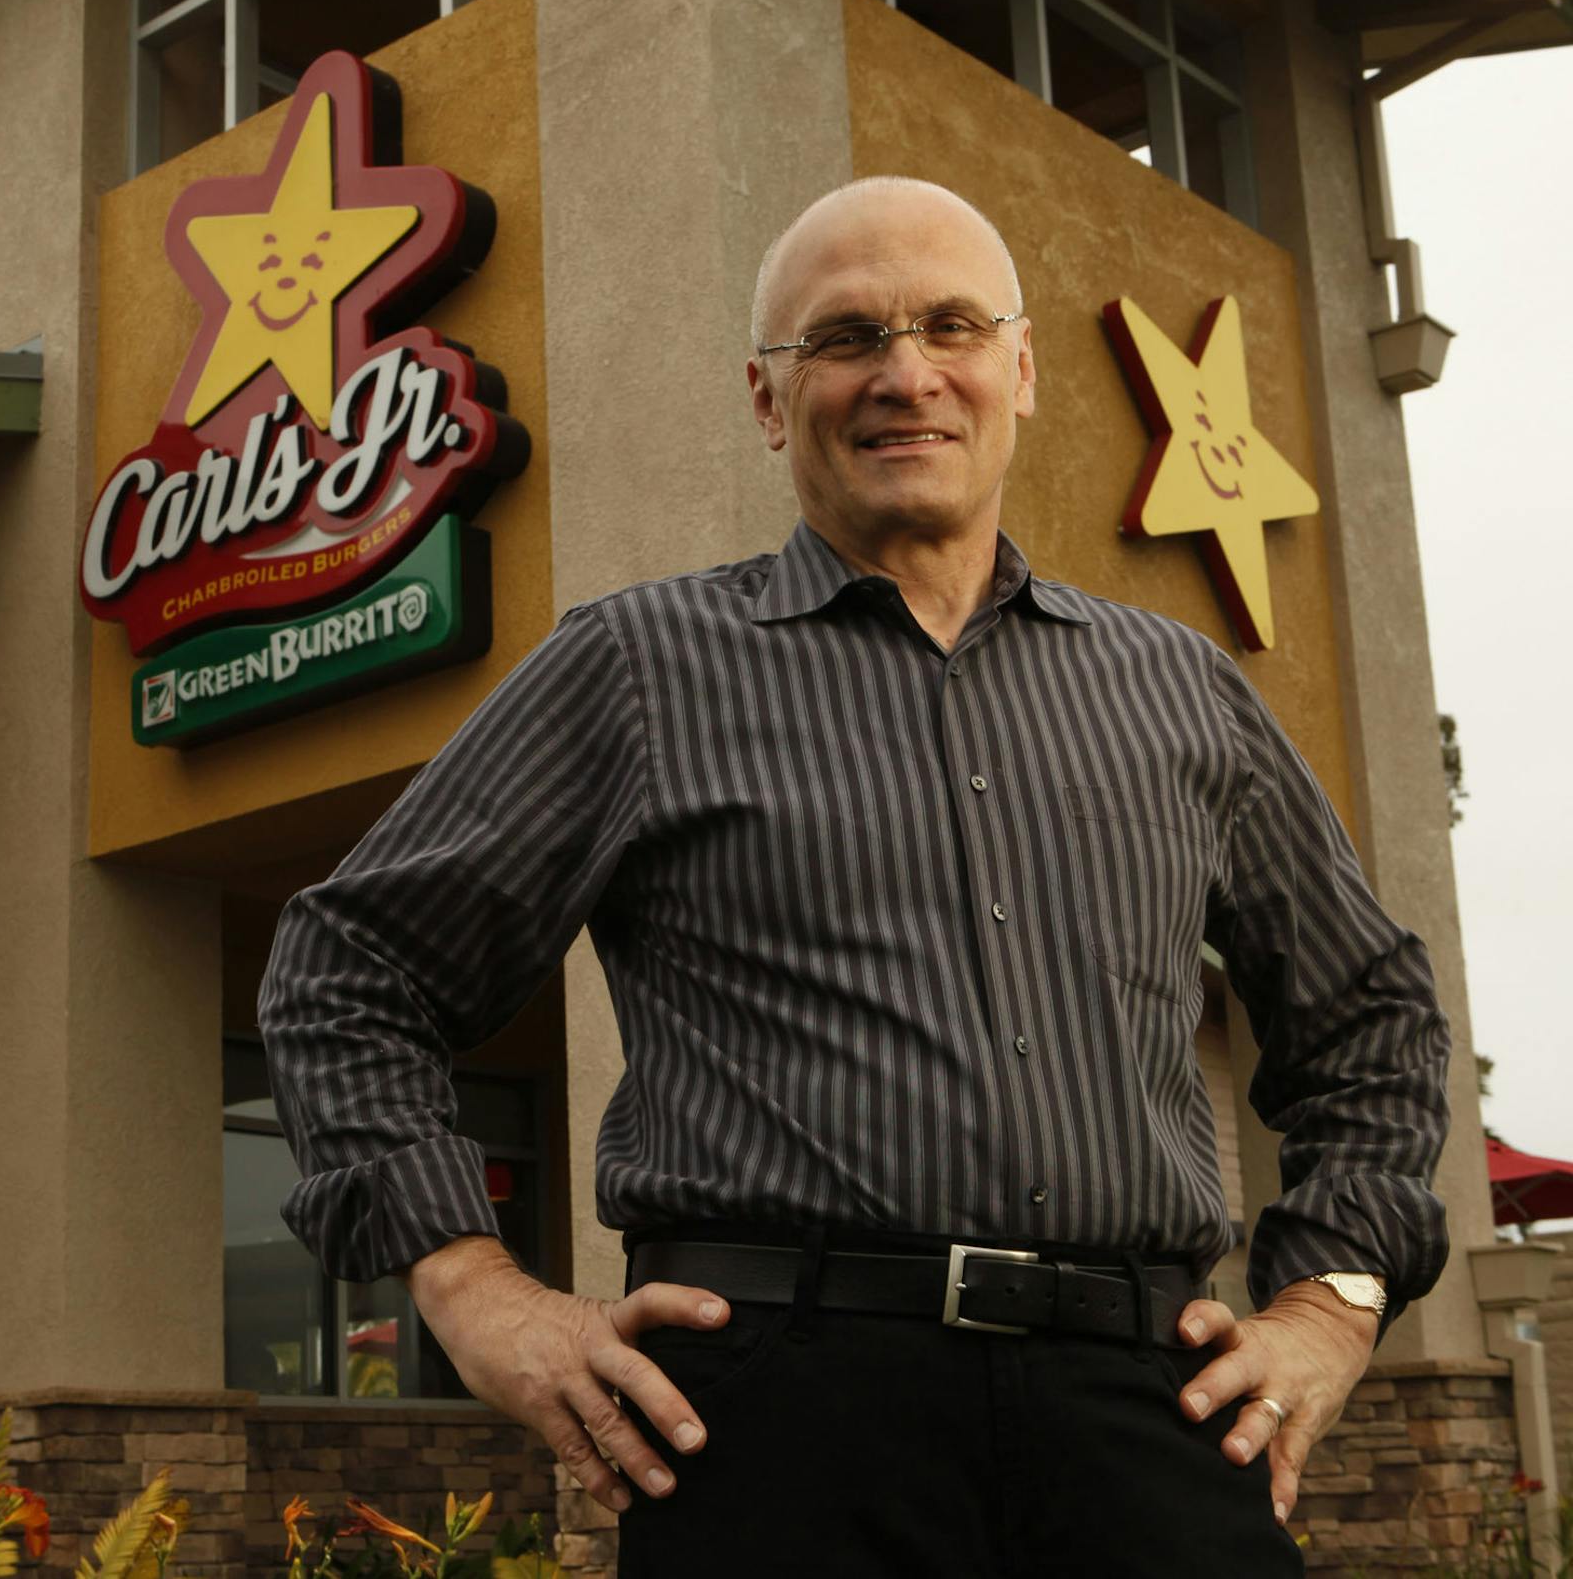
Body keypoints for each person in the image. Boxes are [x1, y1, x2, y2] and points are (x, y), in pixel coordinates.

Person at [257, 177, 1451, 1574]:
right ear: (770, 399)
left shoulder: (1178, 688)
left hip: (1147, 1407)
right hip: (778, 1425)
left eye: (951, 326)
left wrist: (1333, 1303)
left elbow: (1369, 1013)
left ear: (1019, 372)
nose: (905, 374)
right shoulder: (638, 670)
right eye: (844, 338)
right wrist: (471, 1289)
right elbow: (350, 975)